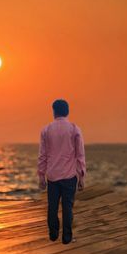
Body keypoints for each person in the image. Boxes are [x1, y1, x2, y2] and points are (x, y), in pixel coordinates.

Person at [37, 99, 86, 244]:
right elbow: (80, 154)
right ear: (67, 111)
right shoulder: (74, 128)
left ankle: (53, 234)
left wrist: (41, 176)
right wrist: (81, 176)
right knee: (67, 207)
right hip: (70, 175)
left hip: (52, 176)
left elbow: (42, 155)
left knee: (52, 207)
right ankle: (66, 238)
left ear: (54, 111)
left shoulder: (46, 130)